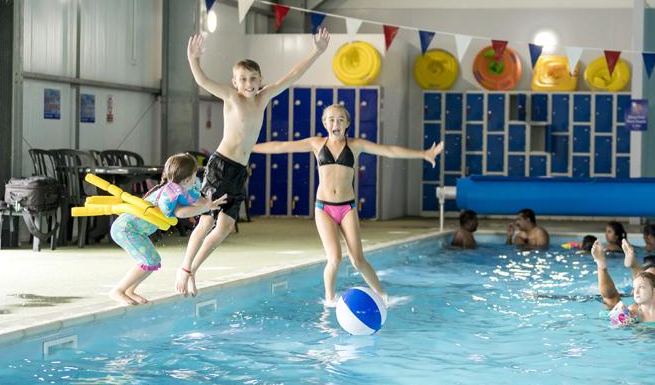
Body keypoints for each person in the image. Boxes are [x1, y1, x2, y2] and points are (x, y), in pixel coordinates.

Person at [176, 28, 330, 296]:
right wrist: (194, 59)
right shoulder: (231, 97)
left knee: (224, 227)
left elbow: (293, 75)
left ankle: (193, 269)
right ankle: (185, 268)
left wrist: (316, 51)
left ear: (260, 80)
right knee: (206, 222)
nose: (248, 83)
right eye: (243, 79)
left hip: (238, 171)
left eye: (253, 79)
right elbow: (202, 81)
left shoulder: (263, 98)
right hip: (221, 165)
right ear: (234, 82)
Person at [253, 103, 443, 305]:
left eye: (340, 119)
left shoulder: (355, 145)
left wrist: (423, 154)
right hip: (324, 208)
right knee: (334, 259)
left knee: (358, 259)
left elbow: (388, 151)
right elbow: (280, 146)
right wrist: (248, 148)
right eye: (331, 119)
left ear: (347, 124)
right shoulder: (316, 144)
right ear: (324, 123)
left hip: (347, 208)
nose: (336, 123)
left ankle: (383, 296)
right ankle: (329, 300)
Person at [109, 154, 226, 305]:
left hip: (137, 231)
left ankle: (129, 290)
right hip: (126, 229)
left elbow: (197, 199)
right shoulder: (169, 194)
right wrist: (203, 208)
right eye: (194, 175)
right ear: (187, 179)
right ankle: (118, 290)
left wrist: (209, 204)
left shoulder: (183, 187)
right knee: (150, 261)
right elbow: (180, 212)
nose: (195, 178)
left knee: (152, 261)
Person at [592, 241, 655, 328]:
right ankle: (605, 266)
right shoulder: (634, 309)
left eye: (652, 278)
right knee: (611, 301)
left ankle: (633, 264)